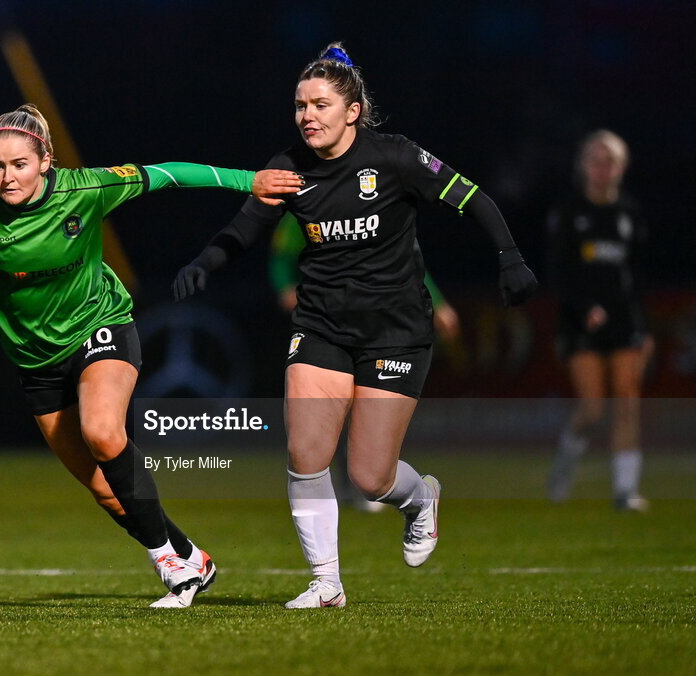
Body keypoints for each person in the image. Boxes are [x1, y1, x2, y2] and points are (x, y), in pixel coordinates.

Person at [0, 104, 303, 608]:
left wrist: (250, 181)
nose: (8, 177)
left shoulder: (85, 188)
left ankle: (171, 568)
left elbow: (168, 175)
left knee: (102, 431)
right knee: (106, 491)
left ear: (45, 159)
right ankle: (190, 557)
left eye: (20, 164)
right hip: (36, 362)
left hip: (101, 326)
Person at [173, 44, 536, 608]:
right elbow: (245, 229)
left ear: (353, 111)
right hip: (321, 326)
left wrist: (510, 258)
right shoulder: (289, 168)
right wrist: (205, 262)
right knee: (306, 451)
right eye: (300, 105)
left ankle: (421, 500)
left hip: (396, 331)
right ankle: (326, 584)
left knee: (370, 476)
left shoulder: (394, 158)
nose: (307, 116)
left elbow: (473, 198)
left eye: (320, 104)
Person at [269, 215, 461, 512]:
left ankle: (374, 483)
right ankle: (343, 486)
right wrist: (286, 287)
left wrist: (438, 303)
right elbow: (282, 255)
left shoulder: (381, 199)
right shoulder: (308, 201)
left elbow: (407, 263)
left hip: (381, 322)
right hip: (324, 321)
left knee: (367, 409)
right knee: (330, 409)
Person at [546, 129, 652, 511]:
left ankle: (626, 490)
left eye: (610, 161)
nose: (602, 168)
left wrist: (645, 326)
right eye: (595, 159)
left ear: (621, 167)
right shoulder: (569, 213)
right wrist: (584, 306)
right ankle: (566, 461)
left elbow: (637, 274)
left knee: (626, 399)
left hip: (625, 321)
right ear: (583, 166)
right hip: (580, 323)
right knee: (592, 409)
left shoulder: (629, 213)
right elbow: (559, 272)